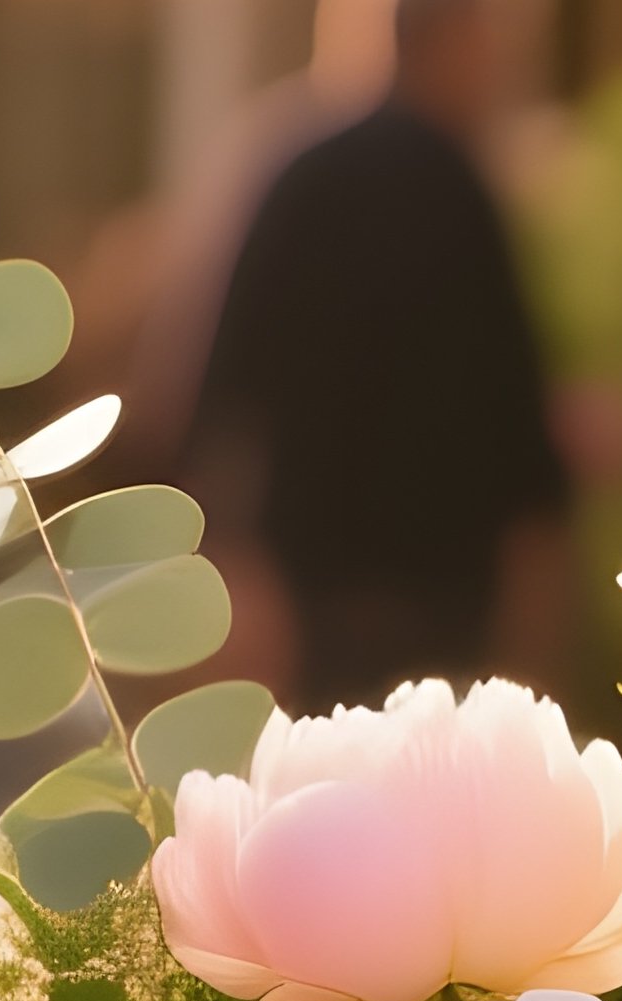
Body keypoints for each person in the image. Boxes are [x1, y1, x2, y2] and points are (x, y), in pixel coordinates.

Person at [177, 0, 571, 712]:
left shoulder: (294, 167)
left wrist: (230, 551)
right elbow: (519, 422)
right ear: (444, 44)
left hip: (309, 579)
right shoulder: (460, 185)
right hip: (442, 585)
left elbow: (213, 385)